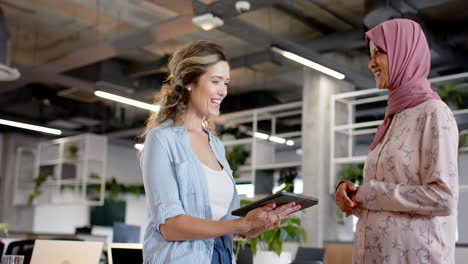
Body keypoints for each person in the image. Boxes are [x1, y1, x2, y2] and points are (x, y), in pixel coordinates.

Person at [139, 40, 301, 264]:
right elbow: (170, 226)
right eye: (215, 81)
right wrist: (241, 224)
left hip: (222, 257)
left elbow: (223, 222)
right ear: (188, 80)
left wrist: (253, 226)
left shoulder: (215, 144)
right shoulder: (162, 139)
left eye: (225, 83)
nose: (223, 91)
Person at [334, 19, 459, 263]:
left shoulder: (433, 113)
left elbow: (443, 198)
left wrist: (369, 192)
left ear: (405, 53)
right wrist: (352, 195)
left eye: (379, 52)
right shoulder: (394, 118)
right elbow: (389, 203)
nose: (371, 63)